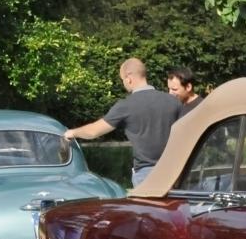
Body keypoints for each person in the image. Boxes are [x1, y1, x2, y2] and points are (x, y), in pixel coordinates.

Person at [63, 58, 182, 186]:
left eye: (122, 80)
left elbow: (93, 132)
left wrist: (72, 132)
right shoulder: (173, 102)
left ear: (128, 78)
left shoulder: (126, 106)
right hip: (176, 171)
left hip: (147, 174)